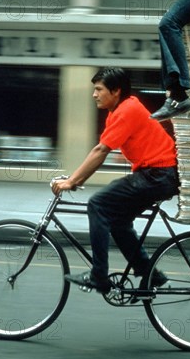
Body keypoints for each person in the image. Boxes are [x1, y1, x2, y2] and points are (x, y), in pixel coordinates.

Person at [52, 67, 179, 294]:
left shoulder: (127, 110)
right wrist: (74, 178)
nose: (94, 94)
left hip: (158, 175)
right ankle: (150, 273)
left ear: (116, 91)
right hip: (156, 175)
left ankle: (98, 276)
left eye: (99, 89)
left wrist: (72, 181)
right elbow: (102, 148)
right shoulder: (119, 110)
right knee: (118, 221)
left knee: (98, 204)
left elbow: (101, 151)